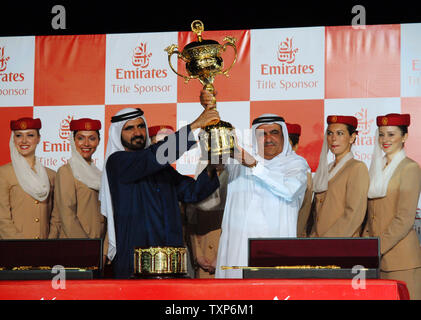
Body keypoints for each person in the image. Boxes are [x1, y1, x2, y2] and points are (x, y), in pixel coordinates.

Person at [99, 106, 221, 279]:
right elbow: (154, 157)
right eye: (129, 128)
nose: (138, 132)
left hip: (170, 261)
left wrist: (211, 167)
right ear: (117, 134)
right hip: (135, 262)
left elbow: (192, 192)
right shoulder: (117, 162)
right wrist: (195, 125)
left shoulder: (160, 167)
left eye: (141, 126)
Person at [200, 91, 309, 278]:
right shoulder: (237, 162)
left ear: (283, 135)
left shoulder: (296, 164)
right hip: (237, 253)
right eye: (262, 134)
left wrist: (253, 164)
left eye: (274, 132)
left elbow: (289, 191)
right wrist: (210, 109)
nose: (268, 138)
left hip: (274, 253)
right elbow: (216, 147)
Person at [363, 113, 421, 300]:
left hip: (401, 259)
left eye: (391, 134)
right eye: (381, 134)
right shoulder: (376, 168)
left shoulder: (410, 168)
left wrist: (376, 247)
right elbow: (370, 215)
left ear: (404, 137)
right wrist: (365, 245)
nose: (385, 140)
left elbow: (404, 218)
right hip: (376, 260)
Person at [53, 118, 107, 258]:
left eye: (92, 138)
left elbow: (107, 217)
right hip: (75, 248)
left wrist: (105, 249)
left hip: (98, 247)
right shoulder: (66, 171)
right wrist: (87, 248)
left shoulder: (100, 174)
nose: (86, 144)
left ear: (99, 141)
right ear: (73, 140)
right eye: (81, 138)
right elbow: (67, 215)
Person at [0, 117, 60, 239]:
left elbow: (57, 216)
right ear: (13, 139)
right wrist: (22, 247)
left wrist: (50, 241)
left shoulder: (52, 176)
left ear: (38, 139)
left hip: (45, 249)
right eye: (19, 136)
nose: (24, 141)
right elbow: (2, 218)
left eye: (30, 135)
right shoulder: (3, 173)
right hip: (14, 248)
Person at [310, 115, 369, 237]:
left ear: (352, 137)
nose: (333, 139)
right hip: (317, 244)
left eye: (340, 133)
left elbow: (354, 214)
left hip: (341, 244)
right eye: (330, 133)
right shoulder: (325, 170)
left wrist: (328, 241)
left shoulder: (357, 168)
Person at [186, 160, 227, 278]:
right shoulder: (200, 174)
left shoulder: (232, 176)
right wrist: (198, 255)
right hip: (204, 257)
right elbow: (190, 223)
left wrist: (221, 256)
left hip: (226, 256)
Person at [286, 122, 313, 237]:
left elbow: (303, 208)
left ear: (295, 146)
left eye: (286, 144)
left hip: (292, 234)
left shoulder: (300, 167)